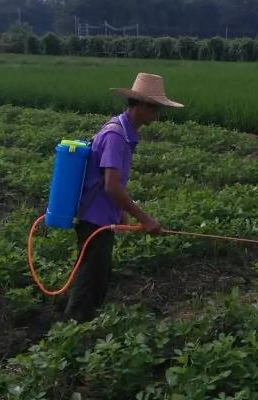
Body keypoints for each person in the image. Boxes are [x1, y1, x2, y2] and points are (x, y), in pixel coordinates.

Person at [64, 73, 184, 322]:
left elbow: (110, 184)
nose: (157, 114)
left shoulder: (122, 131)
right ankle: (74, 329)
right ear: (139, 106)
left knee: (99, 274)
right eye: (155, 108)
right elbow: (111, 186)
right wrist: (146, 219)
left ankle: (85, 323)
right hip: (93, 219)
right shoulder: (117, 137)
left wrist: (121, 212)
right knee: (90, 278)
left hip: (100, 215)